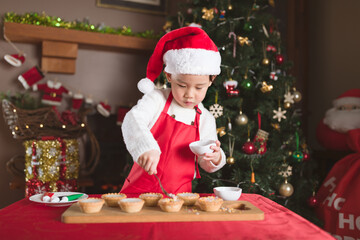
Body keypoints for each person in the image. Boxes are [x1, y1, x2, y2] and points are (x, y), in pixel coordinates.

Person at [120, 26, 226, 195]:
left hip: (179, 196)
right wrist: (146, 147)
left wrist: (216, 157)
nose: (189, 95)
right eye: (181, 85)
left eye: (199, 87)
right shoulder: (156, 99)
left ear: (211, 81)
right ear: (169, 76)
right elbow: (132, 119)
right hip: (139, 190)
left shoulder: (206, 119)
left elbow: (205, 162)